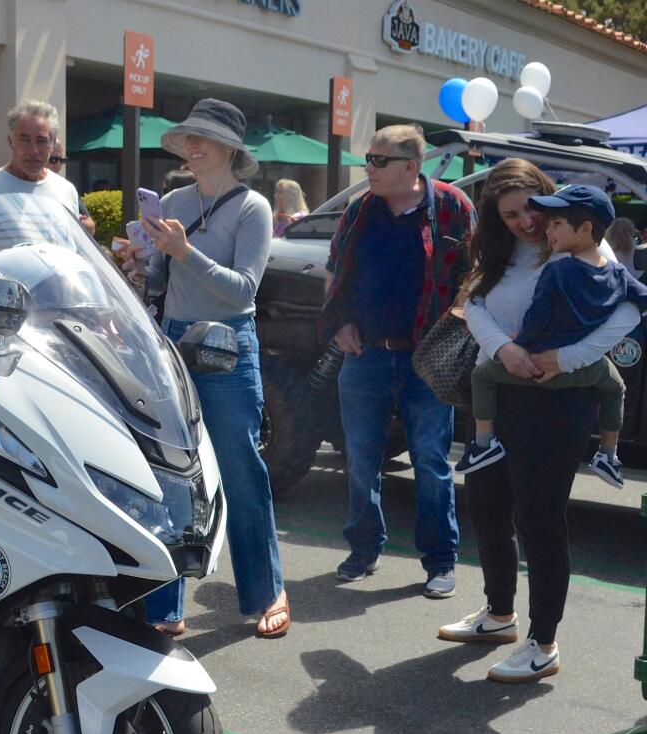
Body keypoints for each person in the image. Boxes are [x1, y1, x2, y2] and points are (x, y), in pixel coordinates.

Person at [438, 160, 642, 681]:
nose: (524, 223)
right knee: (487, 507)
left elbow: (628, 313)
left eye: (530, 210)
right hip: (501, 393)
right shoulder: (497, 255)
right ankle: (499, 615)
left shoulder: (579, 248)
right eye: (508, 216)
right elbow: (472, 305)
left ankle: (543, 641)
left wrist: (566, 358)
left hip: (557, 404)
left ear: (549, 201)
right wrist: (504, 349)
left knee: (540, 521)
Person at [122, 98, 291, 638]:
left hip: (227, 345)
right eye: (188, 138)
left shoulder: (253, 209)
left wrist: (185, 250)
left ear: (228, 149)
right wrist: (140, 259)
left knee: (240, 470)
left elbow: (245, 289)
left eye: (202, 139)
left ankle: (266, 592)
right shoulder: (173, 198)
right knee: (166, 470)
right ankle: (164, 605)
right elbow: (159, 281)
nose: (191, 147)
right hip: (172, 342)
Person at [318, 124, 475, 599]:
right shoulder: (360, 209)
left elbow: (474, 281)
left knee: (431, 460)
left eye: (379, 160)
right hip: (365, 352)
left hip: (427, 357)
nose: (369, 167)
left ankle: (441, 561)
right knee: (361, 459)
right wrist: (339, 324)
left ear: (412, 166)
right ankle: (364, 549)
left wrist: (455, 338)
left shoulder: (452, 207)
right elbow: (334, 273)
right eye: (369, 158)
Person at [457, 185, 647, 488]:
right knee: (615, 389)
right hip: (588, 371)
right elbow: (641, 300)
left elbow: (538, 316)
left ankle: (483, 443)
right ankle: (608, 455)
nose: (547, 230)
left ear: (584, 229)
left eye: (556, 224)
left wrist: (518, 344)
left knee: (482, 377)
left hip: (538, 363)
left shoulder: (558, 271)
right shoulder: (617, 273)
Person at [0, 100, 80, 268]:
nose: (34, 150)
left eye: (41, 141)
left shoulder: (66, 190)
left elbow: (75, 253)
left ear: (52, 143)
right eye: (25, 140)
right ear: (10, 141)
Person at [46, 138, 96, 235]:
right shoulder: (24, 187)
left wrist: (79, 223)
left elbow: (91, 227)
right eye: (53, 160)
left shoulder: (66, 188)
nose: (58, 165)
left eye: (62, 160)